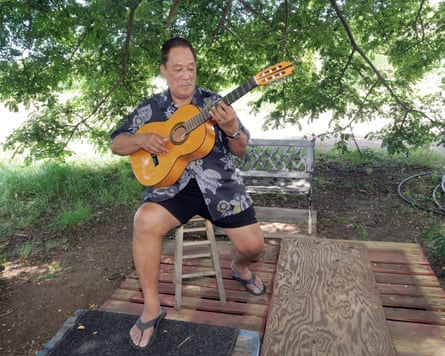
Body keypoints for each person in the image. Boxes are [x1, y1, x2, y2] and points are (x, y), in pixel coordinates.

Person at [110, 37, 266, 351]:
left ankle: (240, 267)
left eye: (191, 68)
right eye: (178, 68)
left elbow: (241, 149)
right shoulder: (152, 108)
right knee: (144, 221)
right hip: (173, 188)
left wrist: (233, 127)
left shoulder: (214, 102)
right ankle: (152, 308)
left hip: (219, 186)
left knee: (254, 247)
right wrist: (142, 140)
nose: (186, 74)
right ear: (164, 70)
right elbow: (116, 143)